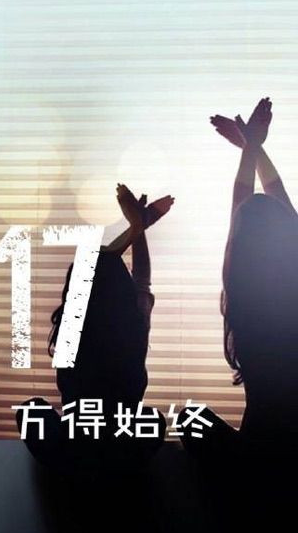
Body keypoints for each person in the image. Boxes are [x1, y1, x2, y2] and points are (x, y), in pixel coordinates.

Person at [15, 184, 174, 475]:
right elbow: (141, 280)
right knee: (152, 420)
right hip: (122, 450)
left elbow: (91, 274)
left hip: (73, 452)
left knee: (31, 410)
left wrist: (138, 226)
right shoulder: (134, 330)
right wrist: (138, 227)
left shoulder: (70, 332)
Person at [182, 97, 298, 461]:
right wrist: (253, 146)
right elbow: (280, 207)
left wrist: (251, 148)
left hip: (258, 458)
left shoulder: (244, 299)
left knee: (189, 419)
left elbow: (241, 210)